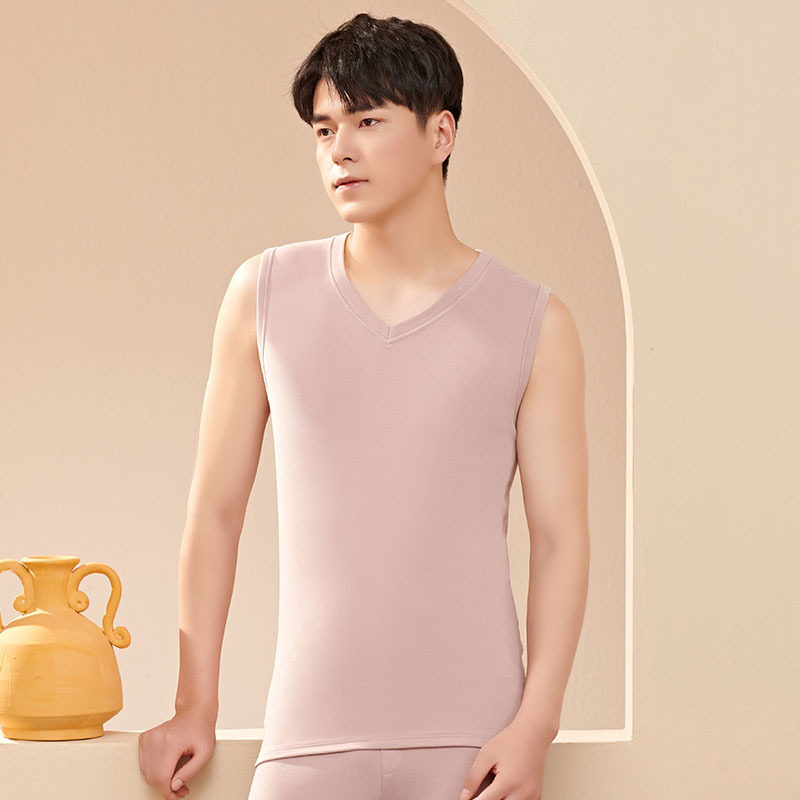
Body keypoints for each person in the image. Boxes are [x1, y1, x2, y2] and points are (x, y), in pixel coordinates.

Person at [138, 12, 589, 800]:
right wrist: (193, 704)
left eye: (368, 122)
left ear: (441, 134)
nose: (339, 150)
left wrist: (535, 725)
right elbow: (214, 514)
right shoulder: (264, 295)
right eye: (324, 129)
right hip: (306, 741)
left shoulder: (534, 322)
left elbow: (559, 540)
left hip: (477, 749)